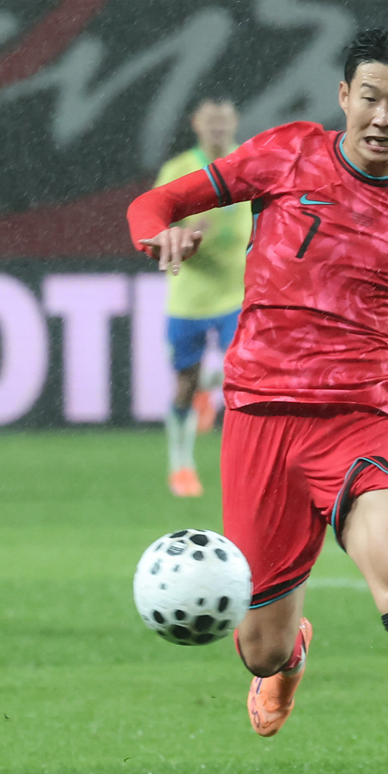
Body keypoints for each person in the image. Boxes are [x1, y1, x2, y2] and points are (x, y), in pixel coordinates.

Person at [127, 28, 388, 774]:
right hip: (257, 423)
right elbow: (153, 206)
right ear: (343, 97)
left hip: (360, 423)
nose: (382, 114)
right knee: (255, 646)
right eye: (369, 95)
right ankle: (288, 655)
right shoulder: (285, 156)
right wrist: (164, 235)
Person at [152, 97, 251, 498]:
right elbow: (157, 230)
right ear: (196, 123)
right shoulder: (177, 171)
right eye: (210, 120)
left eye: (224, 119)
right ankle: (181, 466)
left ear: (234, 122)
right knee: (183, 386)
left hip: (238, 292)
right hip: (190, 295)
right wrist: (188, 230)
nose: (217, 127)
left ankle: (211, 390)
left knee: (246, 373)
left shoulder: (249, 161)